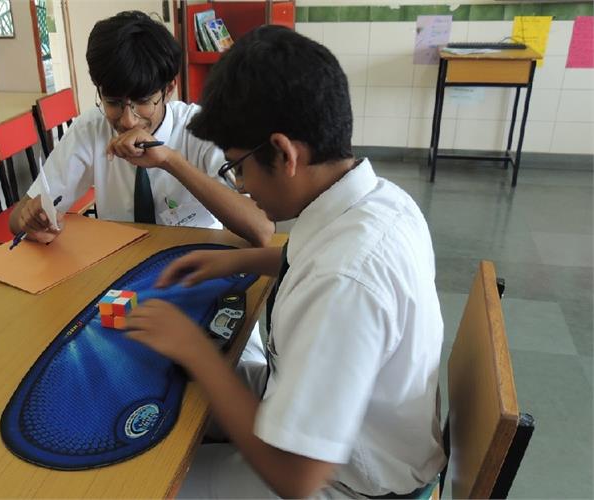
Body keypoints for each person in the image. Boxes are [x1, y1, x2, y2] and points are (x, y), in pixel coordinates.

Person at [125, 25, 446, 498]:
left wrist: (194, 348)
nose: (241, 186)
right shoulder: (379, 200)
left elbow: (296, 478)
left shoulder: (342, 282)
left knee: (144, 483)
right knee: (179, 389)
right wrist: (236, 262)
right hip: (352, 423)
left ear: (283, 153)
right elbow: (313, 255)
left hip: (344, 482)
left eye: (238, 168)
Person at [9, 11, 274, 249]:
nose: (127, 120)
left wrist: (170, 161)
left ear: (168, 89)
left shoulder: (202, 128)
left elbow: (262, 229)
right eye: (113, 103)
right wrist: (33, 220)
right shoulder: (91, 129)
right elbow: (17, 218)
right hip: (119, 264)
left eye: (143, 102)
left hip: (197, 262)